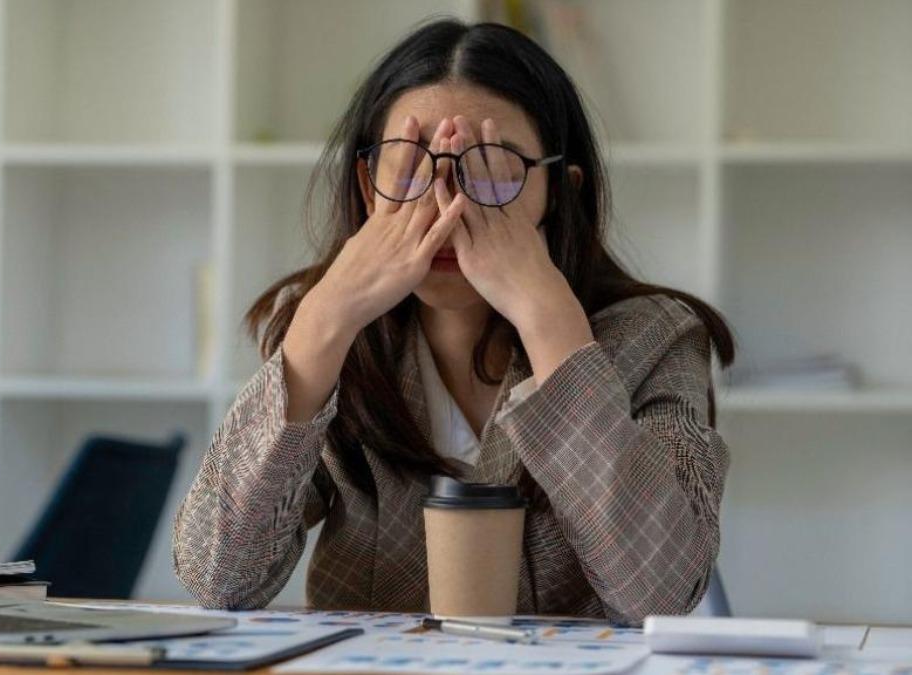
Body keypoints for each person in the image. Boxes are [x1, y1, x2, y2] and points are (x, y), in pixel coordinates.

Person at [172, 18, 735, 626]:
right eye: (410, 164)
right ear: (367, 186)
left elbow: (661, 595)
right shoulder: (329, 334)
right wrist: (322, 323)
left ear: (560, 192)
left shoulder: (657, 336)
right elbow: (216, 577)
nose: (446, 204)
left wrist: (553, 327)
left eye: (491, 168)